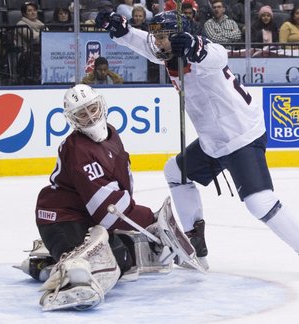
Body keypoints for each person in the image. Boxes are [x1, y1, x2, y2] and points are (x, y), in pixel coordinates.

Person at [95, 10, 299, 277]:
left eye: (162, 36)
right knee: (175, 171)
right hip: (213, 140)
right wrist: (123, 31)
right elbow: (145, 44)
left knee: (259, 202)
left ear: (177, 37)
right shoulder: (168, 51)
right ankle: (196, 243)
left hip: (240, 135)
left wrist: (196, 46)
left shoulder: (201, 54)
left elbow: (217, 54)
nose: (157, 42)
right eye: (156, 36)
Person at [31, 84, 199, 311]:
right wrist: (149, 219)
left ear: (101, 105)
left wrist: (147, 222)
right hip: (60, 218)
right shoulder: (78, 148)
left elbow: (118, 190)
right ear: (73, 119)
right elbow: (107, 209)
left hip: (86, 219)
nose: (90, 117)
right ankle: (63, 271)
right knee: (96, 266)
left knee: (124, 260)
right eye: (82, 113)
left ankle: (49, 259)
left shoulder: (110, 133)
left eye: (92, 108)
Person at [16, 1, 46, 84]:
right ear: (24, 14)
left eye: (34, 10)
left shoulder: (41, 24)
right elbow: (35, 38)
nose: (33, 12)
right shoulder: (21, 24)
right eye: (29, 11)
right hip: (24, 53)